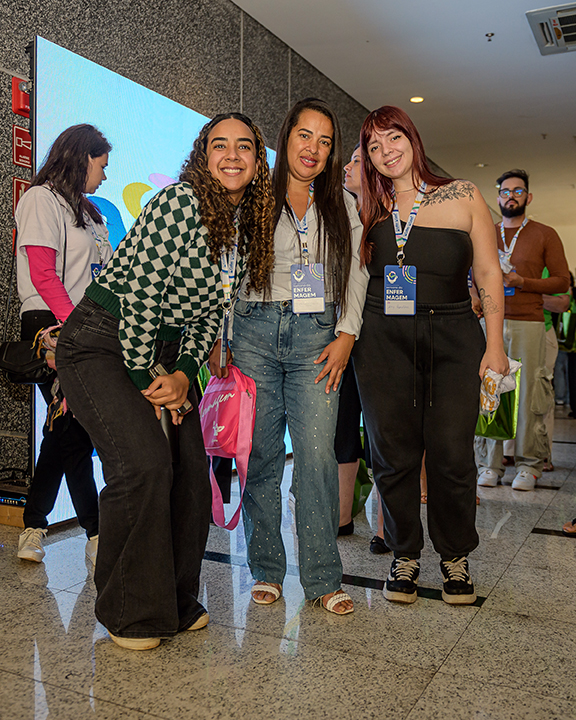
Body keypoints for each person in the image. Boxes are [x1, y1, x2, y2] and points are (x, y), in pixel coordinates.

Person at [56, 113, 275, 650]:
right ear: (203, 155)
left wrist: (181, 374)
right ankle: (128, 612)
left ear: (257, 161)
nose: (231, 155)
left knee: (191, 472)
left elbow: (210, 314)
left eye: (244, 146)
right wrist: (147, 377)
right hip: (102, 341)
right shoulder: (179, 202)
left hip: (164, 353)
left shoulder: (242, 230)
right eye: (219, 145)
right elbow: (141, 297)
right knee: (143, 464)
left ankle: (172, 601)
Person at [353, 105, 507, 605]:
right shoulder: (368, 205)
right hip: (382, 339)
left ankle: (455, 556)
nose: (386, 151)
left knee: (452, 454)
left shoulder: (463, 194)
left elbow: (488, 272)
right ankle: (404, 553)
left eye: (393, 137)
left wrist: (496, 344)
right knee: (392, 455)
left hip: (455, 336)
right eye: (373, 146)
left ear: (412, 138)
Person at [228, 98, 368, 615]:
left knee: (316, 457)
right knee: (262, 456)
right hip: (254, 330)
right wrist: (222, 337)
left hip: (317, 337)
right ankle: (266, 569)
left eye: (324, 141)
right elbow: (226, 266)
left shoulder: (341, 203)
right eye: (305, 135)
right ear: (286, 137)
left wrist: (347, 332)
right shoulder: (253, 195)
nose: (313, 148)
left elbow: (357, 270)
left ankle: (323, 578)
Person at [14, 124, 113, 565]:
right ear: (82, 157)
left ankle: (37, 526)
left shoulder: (91, 213)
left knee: (66, 429)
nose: (105, 176)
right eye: (101, 165)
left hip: (84, 327)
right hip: (50, 326)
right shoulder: (41, 199)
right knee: (70, 429)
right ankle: (90, 531)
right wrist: (75, 329)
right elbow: (42, 274)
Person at [476, 170, 570, 491]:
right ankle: (489, 464)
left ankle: (529, 465)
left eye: (518, 191)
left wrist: (523, 282)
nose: (511, 196)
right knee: (491, 390)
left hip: (529, 321)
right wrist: (474, 295)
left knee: (530, 393)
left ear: (528, 197)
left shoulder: (545, 234)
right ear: (498, 197)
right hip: (490, 322)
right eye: (505, 191)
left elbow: (562, 281)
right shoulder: (486, 232)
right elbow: (471, 273)